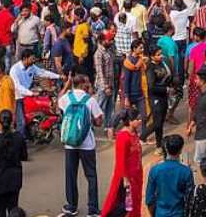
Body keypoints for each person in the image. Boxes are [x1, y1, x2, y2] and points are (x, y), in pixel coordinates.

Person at [58, 74, 105, 217]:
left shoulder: (66, 99)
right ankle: (93, 209)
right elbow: (99, 121)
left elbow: (58, 101)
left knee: (71, 175)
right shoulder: (90, 100)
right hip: (87, 144)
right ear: (84, 84)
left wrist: (66, 85)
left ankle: (71, 206)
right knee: (91, 176)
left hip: (70, 144)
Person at [100, 107, 144, 217]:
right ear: (129, 121)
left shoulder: (134, 133)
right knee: (125, 205)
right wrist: (125, 180)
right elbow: (120, 161)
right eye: (137, 119)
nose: (140, 121)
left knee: (135, 202)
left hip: (136, 176)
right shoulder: (123, 137)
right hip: (127, 178)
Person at [0, 110, 27, 217]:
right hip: (14, 179)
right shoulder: (19, 137)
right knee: (13, 209)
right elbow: (24, 156)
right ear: (12, 121)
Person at [144, 134, 194, 217]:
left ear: (166, 149)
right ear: (180, 150)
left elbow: (149, 199)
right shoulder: (186, 171)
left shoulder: (155, 170)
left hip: (160, 213)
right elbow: (190, 198)